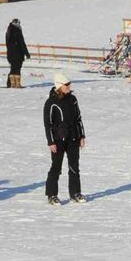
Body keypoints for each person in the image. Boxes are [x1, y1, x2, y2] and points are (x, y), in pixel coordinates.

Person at [43, 72, 86, 204]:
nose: (69, 86)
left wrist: (82, 136)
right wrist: (51, 142)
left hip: (73, 138)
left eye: (69, 84)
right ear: (60, 86)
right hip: (58, 140)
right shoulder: (51, 103)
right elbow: (48, 124)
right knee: (56, 167)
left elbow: (78, 119)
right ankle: (52, 194)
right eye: (66, 84)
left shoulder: (72, 99)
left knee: (74, 167)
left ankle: (75, 193)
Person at [5, 18, 29, 88]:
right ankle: (17, 84)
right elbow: (22, 43)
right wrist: (26, 53)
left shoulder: (8, 31)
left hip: (10, 53)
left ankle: (12, 84)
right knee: (17, 68)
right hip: (18, 53)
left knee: (13, 68)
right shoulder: (17, 30)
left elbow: (7, 43)